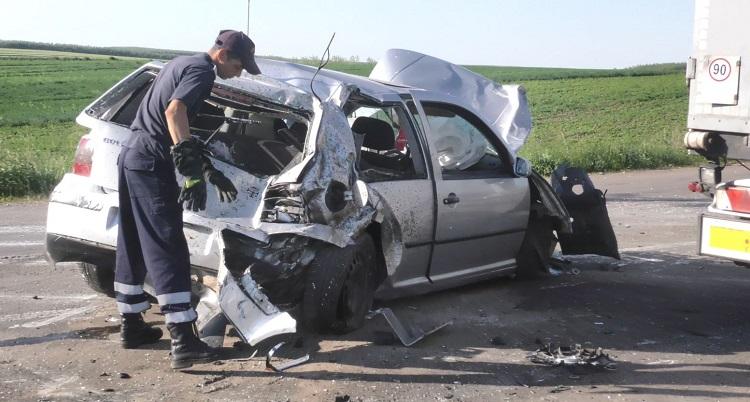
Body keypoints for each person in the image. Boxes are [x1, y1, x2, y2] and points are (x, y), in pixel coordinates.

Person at [113, 30, 261, 369]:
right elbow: (175, 111)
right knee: (167, 246)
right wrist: (190, 171)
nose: (239, 73)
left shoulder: (179, 63)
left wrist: (206, 168)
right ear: (223, 55)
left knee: (133, 240)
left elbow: (172, 123)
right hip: (152, 160)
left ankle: (131, 324)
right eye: (239, 66)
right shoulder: (202, 72)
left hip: (133, 154)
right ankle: (183, 340)